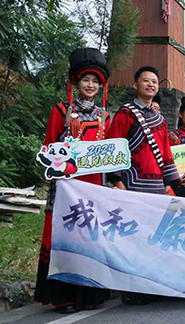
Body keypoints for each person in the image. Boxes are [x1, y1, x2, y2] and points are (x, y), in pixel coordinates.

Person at [35, 48, 111, 314]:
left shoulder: (105, 116)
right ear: (75, 83)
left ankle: (89, 295)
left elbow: (111, 153)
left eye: (95, 82)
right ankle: (63, 297)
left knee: (88, 237)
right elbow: (48, 147)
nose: (91, 86)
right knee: (65, 236)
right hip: (66, 187)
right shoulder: (61, 111)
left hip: (93, 188)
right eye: (85, 80)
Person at [106, 66, 179, 194]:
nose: (150, 84)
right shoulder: (125, 113)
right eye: (146, 81)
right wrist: (118, 182)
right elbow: (113, 148)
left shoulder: (161, 120)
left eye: (154, 82)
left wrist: (167, 184)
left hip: (158, 186)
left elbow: (166, 153)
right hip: (130, 185)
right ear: (135, 85)